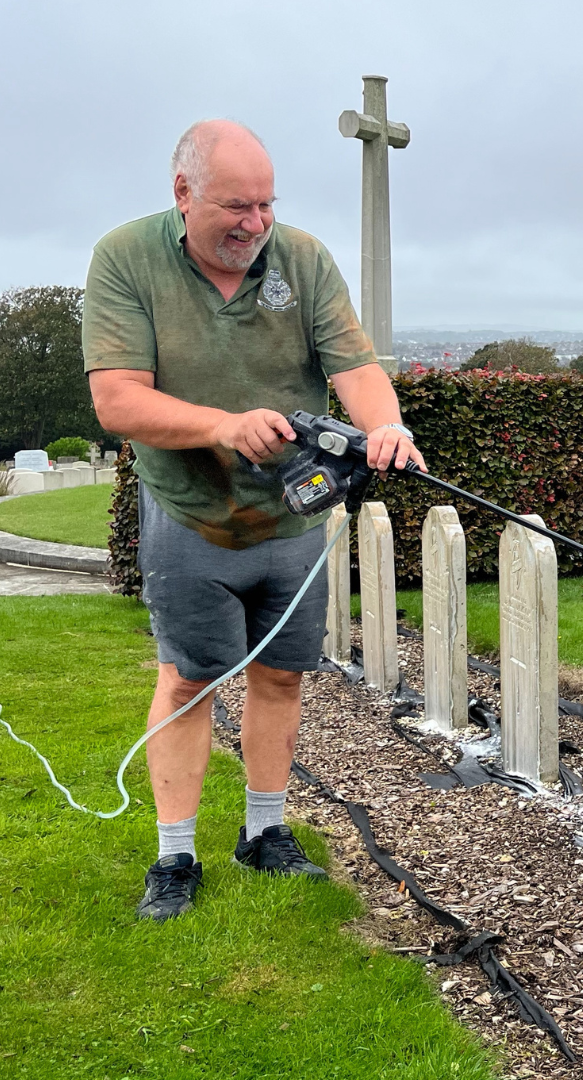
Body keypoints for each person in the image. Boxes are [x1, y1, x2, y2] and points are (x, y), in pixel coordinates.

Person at [84, 119, 425, 921]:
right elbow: (117, 400)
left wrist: (388, 424)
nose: (256, 223)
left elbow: (355, 364)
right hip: (191, 516)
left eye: (268, 204)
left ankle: (263, 834)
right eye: (237, 205)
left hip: (294, 518)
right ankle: (175, 855)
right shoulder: (125, 258)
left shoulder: (301, 258)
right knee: (191, 679)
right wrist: (224, 426)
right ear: (182, 194)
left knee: (280, 675)